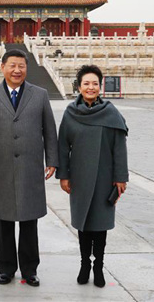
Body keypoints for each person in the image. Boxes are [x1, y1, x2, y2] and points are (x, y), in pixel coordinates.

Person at [0, 49, 58, 287]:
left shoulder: (40, 94)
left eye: (21, 66)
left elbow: (50, 131)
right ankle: (6, 268)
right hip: (1, 166)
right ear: (2, 67)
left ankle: (30, 269)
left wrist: (51, 160)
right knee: (4, 220)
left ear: (26, 68)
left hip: (31, 165)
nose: (17, 70)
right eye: (12, 65)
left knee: (29, 220)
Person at [56, 64, 128, 288]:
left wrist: (120, 178)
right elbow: (62, 147)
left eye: (94, 84)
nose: (90, 87)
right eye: (86, 83)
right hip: (79, 177)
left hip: (105, 176)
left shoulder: (111, 112)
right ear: (79, 86)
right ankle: (84, 264)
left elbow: (119, 148)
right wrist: (64, 175)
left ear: (100, 86)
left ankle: (98, 267)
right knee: (84, 224)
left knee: (100, 225)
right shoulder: (70, 113)